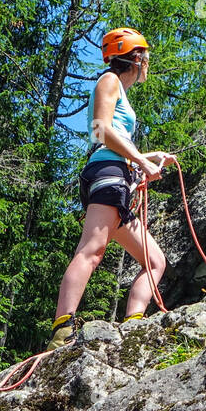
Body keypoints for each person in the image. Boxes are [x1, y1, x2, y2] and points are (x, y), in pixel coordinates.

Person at [45, 27, 176, 350]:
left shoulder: (119, 88)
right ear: (135, 58)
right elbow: (101, 130)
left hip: (115, 174)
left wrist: (146, 157)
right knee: (92, 250)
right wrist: (140, 162)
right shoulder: (109, 81)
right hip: (109, 173)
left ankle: (133, 325)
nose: (148, 61)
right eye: (145, 55)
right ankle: (63, 327)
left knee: (155, 261)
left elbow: (112, 137)